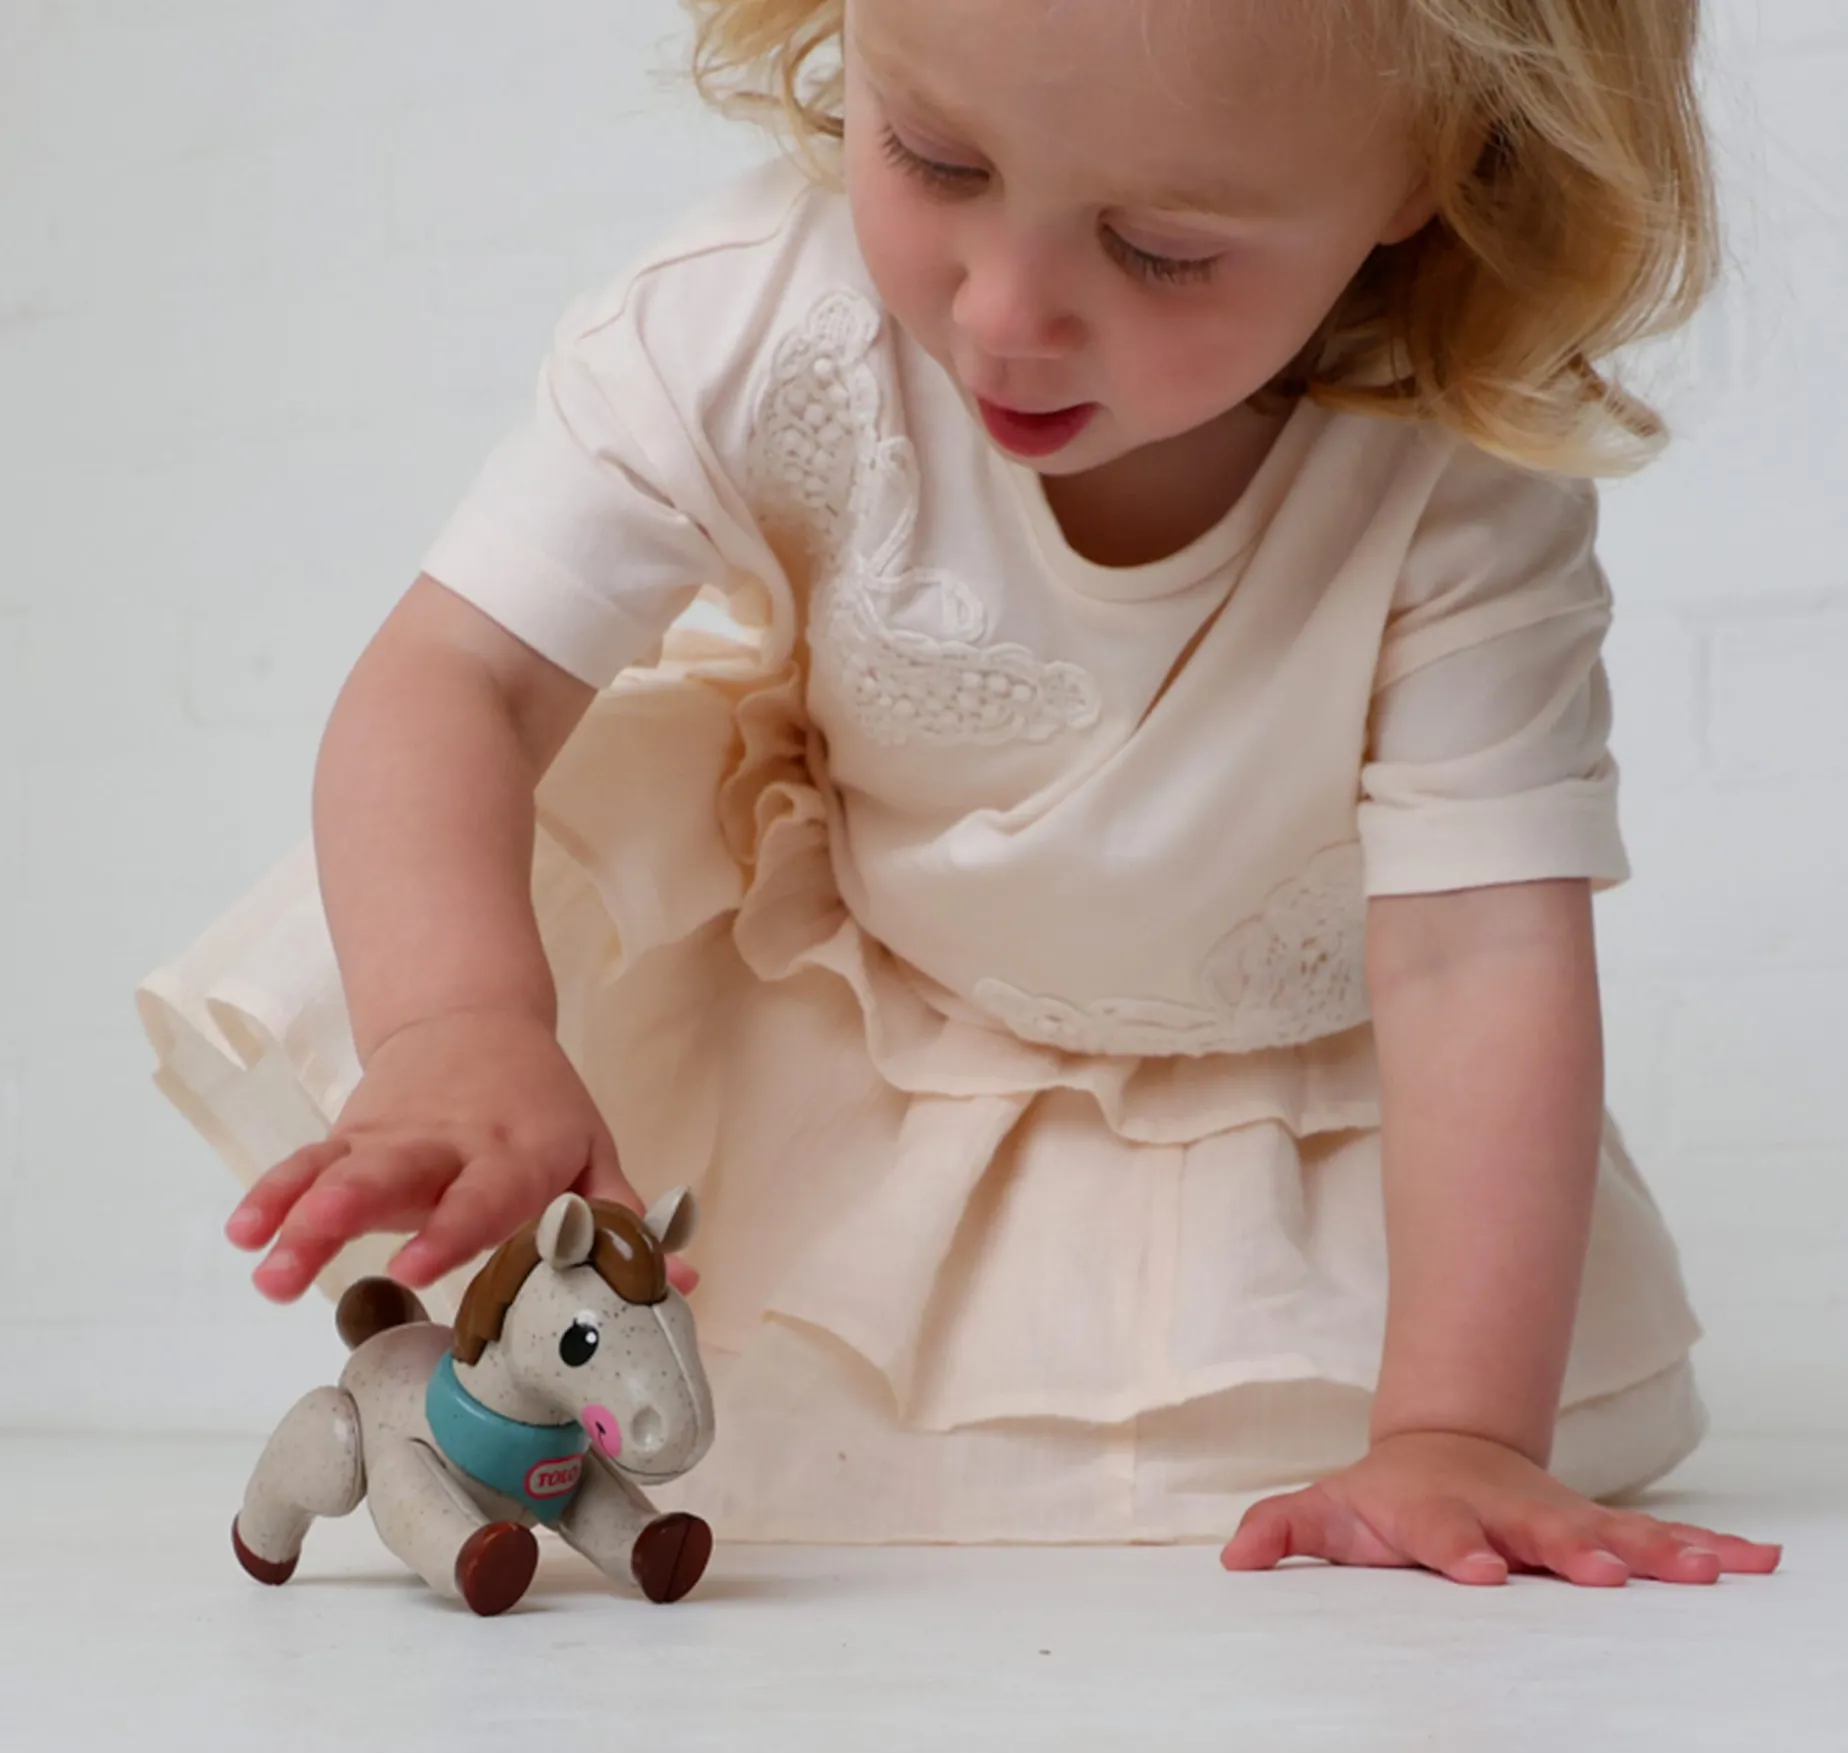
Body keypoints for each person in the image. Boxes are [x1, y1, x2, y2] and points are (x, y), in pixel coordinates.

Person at [138, 0, 1784, 1584]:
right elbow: (458, 678)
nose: (1004, 314)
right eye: (932, 157)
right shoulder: (761, 315)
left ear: (1441, 159)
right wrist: (457, 1022)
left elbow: (1476, 956)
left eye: (1164, 250)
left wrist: (1455, 1426)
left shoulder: (1458, 493)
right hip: (873, 1045)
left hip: (1292, 1134)